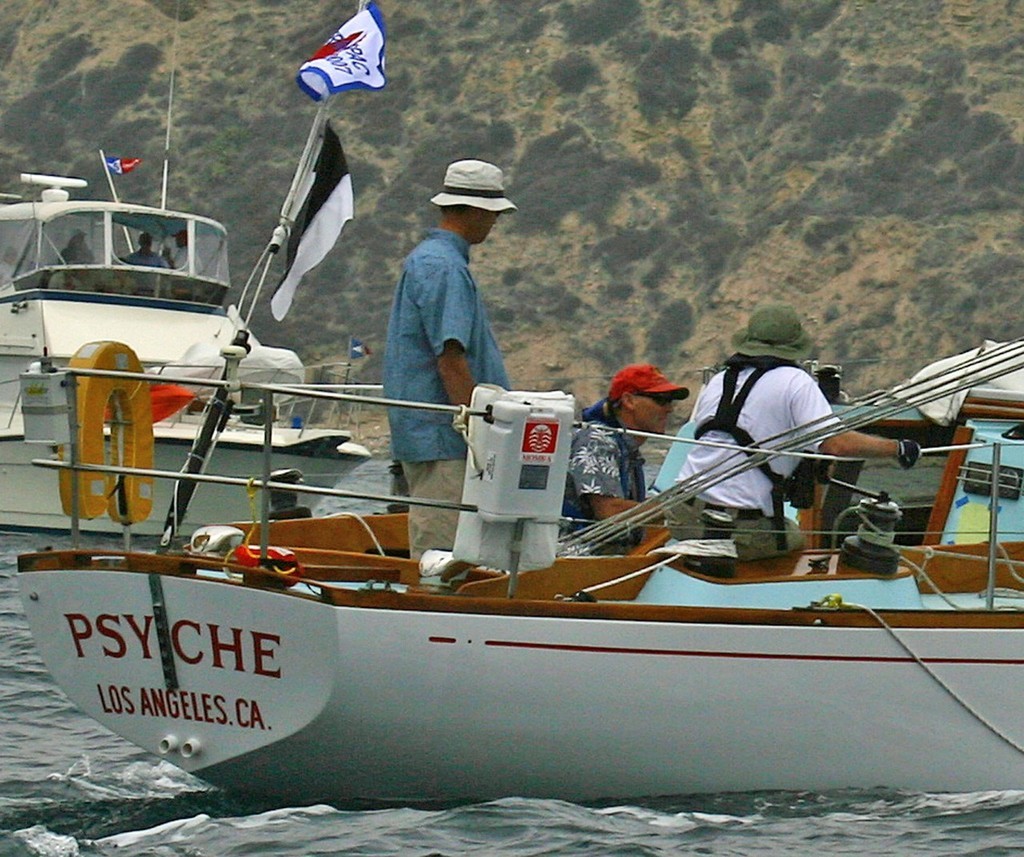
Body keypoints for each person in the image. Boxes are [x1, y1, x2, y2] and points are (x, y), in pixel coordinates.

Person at [668, 302, 921, 561]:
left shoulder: (719, 380)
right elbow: (837, 444)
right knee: (796, 541)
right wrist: (898, 448)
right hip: (741, 528)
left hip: (682, 515)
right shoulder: (795, 381)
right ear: (793, 346)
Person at [382, 159, 516, 559]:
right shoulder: (444, 267)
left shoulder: (434, 261)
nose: (493, 224)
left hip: (431, 434)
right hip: (444, 439)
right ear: (475, 211)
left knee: (444, 538)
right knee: (443, 550)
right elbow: (451, 357)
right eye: (492, 215)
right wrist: (478, 430)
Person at [563, 364, 689, 541]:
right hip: (579, 556)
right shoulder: (596, 441)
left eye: (670, 401)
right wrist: (674, 509)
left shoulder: (624, 447)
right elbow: (609, 510)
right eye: (661, 400)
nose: (669, 409)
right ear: (629, 401)